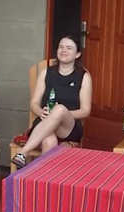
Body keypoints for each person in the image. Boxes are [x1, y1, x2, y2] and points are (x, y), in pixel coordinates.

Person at [11, 34, 93, 168]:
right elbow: (34, 103)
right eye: (61, 47)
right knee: (49, 141)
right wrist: (40, 112)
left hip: (68, 127)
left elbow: (85, 111)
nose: (64, 50)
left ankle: (23, 152)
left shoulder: (83, 77)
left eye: (69, 48)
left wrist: (60, 114)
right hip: (44, 121)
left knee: (59, 109)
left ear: (77, 54)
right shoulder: (46, 73)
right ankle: (42, 180)